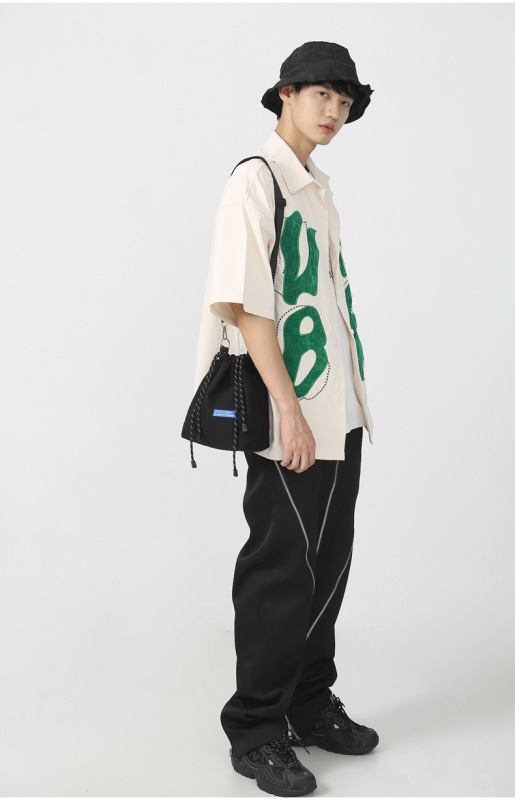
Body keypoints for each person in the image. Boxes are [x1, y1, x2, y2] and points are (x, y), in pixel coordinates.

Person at [193, 40, 378, 797]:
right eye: (321, 95)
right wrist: (288, 414)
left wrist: (343, 407)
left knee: (327, 566)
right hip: (290, 414)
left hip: (339, 410)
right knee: (279, 571)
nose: (333, 110)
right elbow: (247, 308)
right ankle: (256, 729)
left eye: (344, 100)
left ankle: (308, 701)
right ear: (285, 95)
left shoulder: (316, 187)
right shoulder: (256, 179)